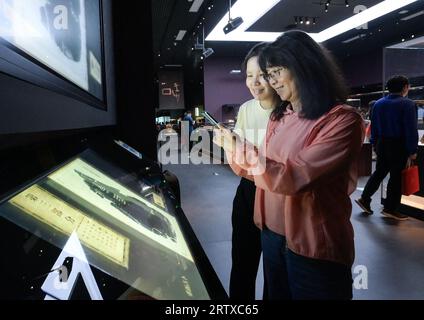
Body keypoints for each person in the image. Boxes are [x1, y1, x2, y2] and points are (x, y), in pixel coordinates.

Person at [214, 30, 364, 299]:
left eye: (275, 72)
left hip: (312, 243)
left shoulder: (342, 120)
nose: (271, 81)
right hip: (272, 234)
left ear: (304, 67)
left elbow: (293, 176)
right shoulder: (281, 116)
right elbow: (260, 169)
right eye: (267, 73)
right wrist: (234, 150)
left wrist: (241, 150)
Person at [226, 43, 281, 300]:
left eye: (262, 75)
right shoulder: (247, 108)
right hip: (248, 190)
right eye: (249, 75)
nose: (255, 82)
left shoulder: (289, 111)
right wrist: (231, 142)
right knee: (242, 262)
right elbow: (239, 151)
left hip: (276, 193)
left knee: (274, 269)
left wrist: (241, 150)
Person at [355, 76, 418, 220]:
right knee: (396, 177)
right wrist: (412, 150)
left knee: (379, 172)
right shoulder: (408, 104)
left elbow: (374, 127)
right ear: (405, 87)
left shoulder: (378, 104)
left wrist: (374, 143)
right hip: (398, 144)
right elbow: (410, 129)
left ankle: (364, 198)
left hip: (382, 143)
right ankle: (390, 209)